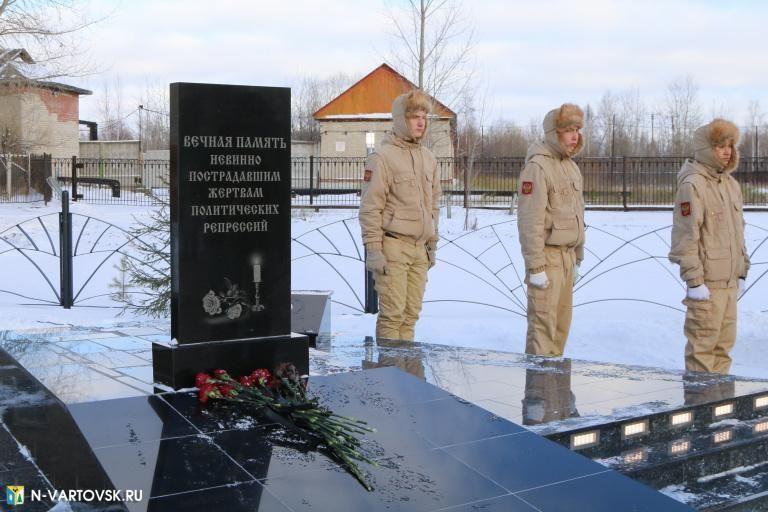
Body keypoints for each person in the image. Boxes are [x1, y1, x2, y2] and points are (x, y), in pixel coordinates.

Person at [359, 89, 441, 341]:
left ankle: (407, 366)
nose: (420, 122)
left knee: (410, 316)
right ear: (400, 120)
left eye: (424, 117)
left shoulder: (429, 158)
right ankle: (390, 366)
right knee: (393, 316)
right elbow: (371, 208)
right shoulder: (382, 158)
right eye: (414, 117)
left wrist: (432, 245)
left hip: (419, 250)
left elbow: (433, 205)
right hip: (393, 248)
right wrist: (374, 251)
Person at [669, 119, 750, 375]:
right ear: (706, 147)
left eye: (730, 146)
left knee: (723, 350)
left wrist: (741, 271)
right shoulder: (694, 184)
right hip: (707, 285)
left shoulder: (730, 185)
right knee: (702, 353)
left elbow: (738, 232)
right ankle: (700, 401)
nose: (727, 151)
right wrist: (694, 282)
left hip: (729, 284)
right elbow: (685, 236)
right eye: (720, 146)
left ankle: (721, 400)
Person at [517, 104, 585, 356]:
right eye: (568, 130)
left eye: (576, 129)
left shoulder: (571, 167)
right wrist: (536, 267)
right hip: (548, 260)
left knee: (560, 331)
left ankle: (555, 382)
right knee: (542, 333)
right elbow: (530, 220)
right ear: (553, 133)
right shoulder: (538, 167)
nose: (574, 136)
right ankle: (539, 383)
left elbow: (578, 215)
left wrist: (577, 257)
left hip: (566, 259)